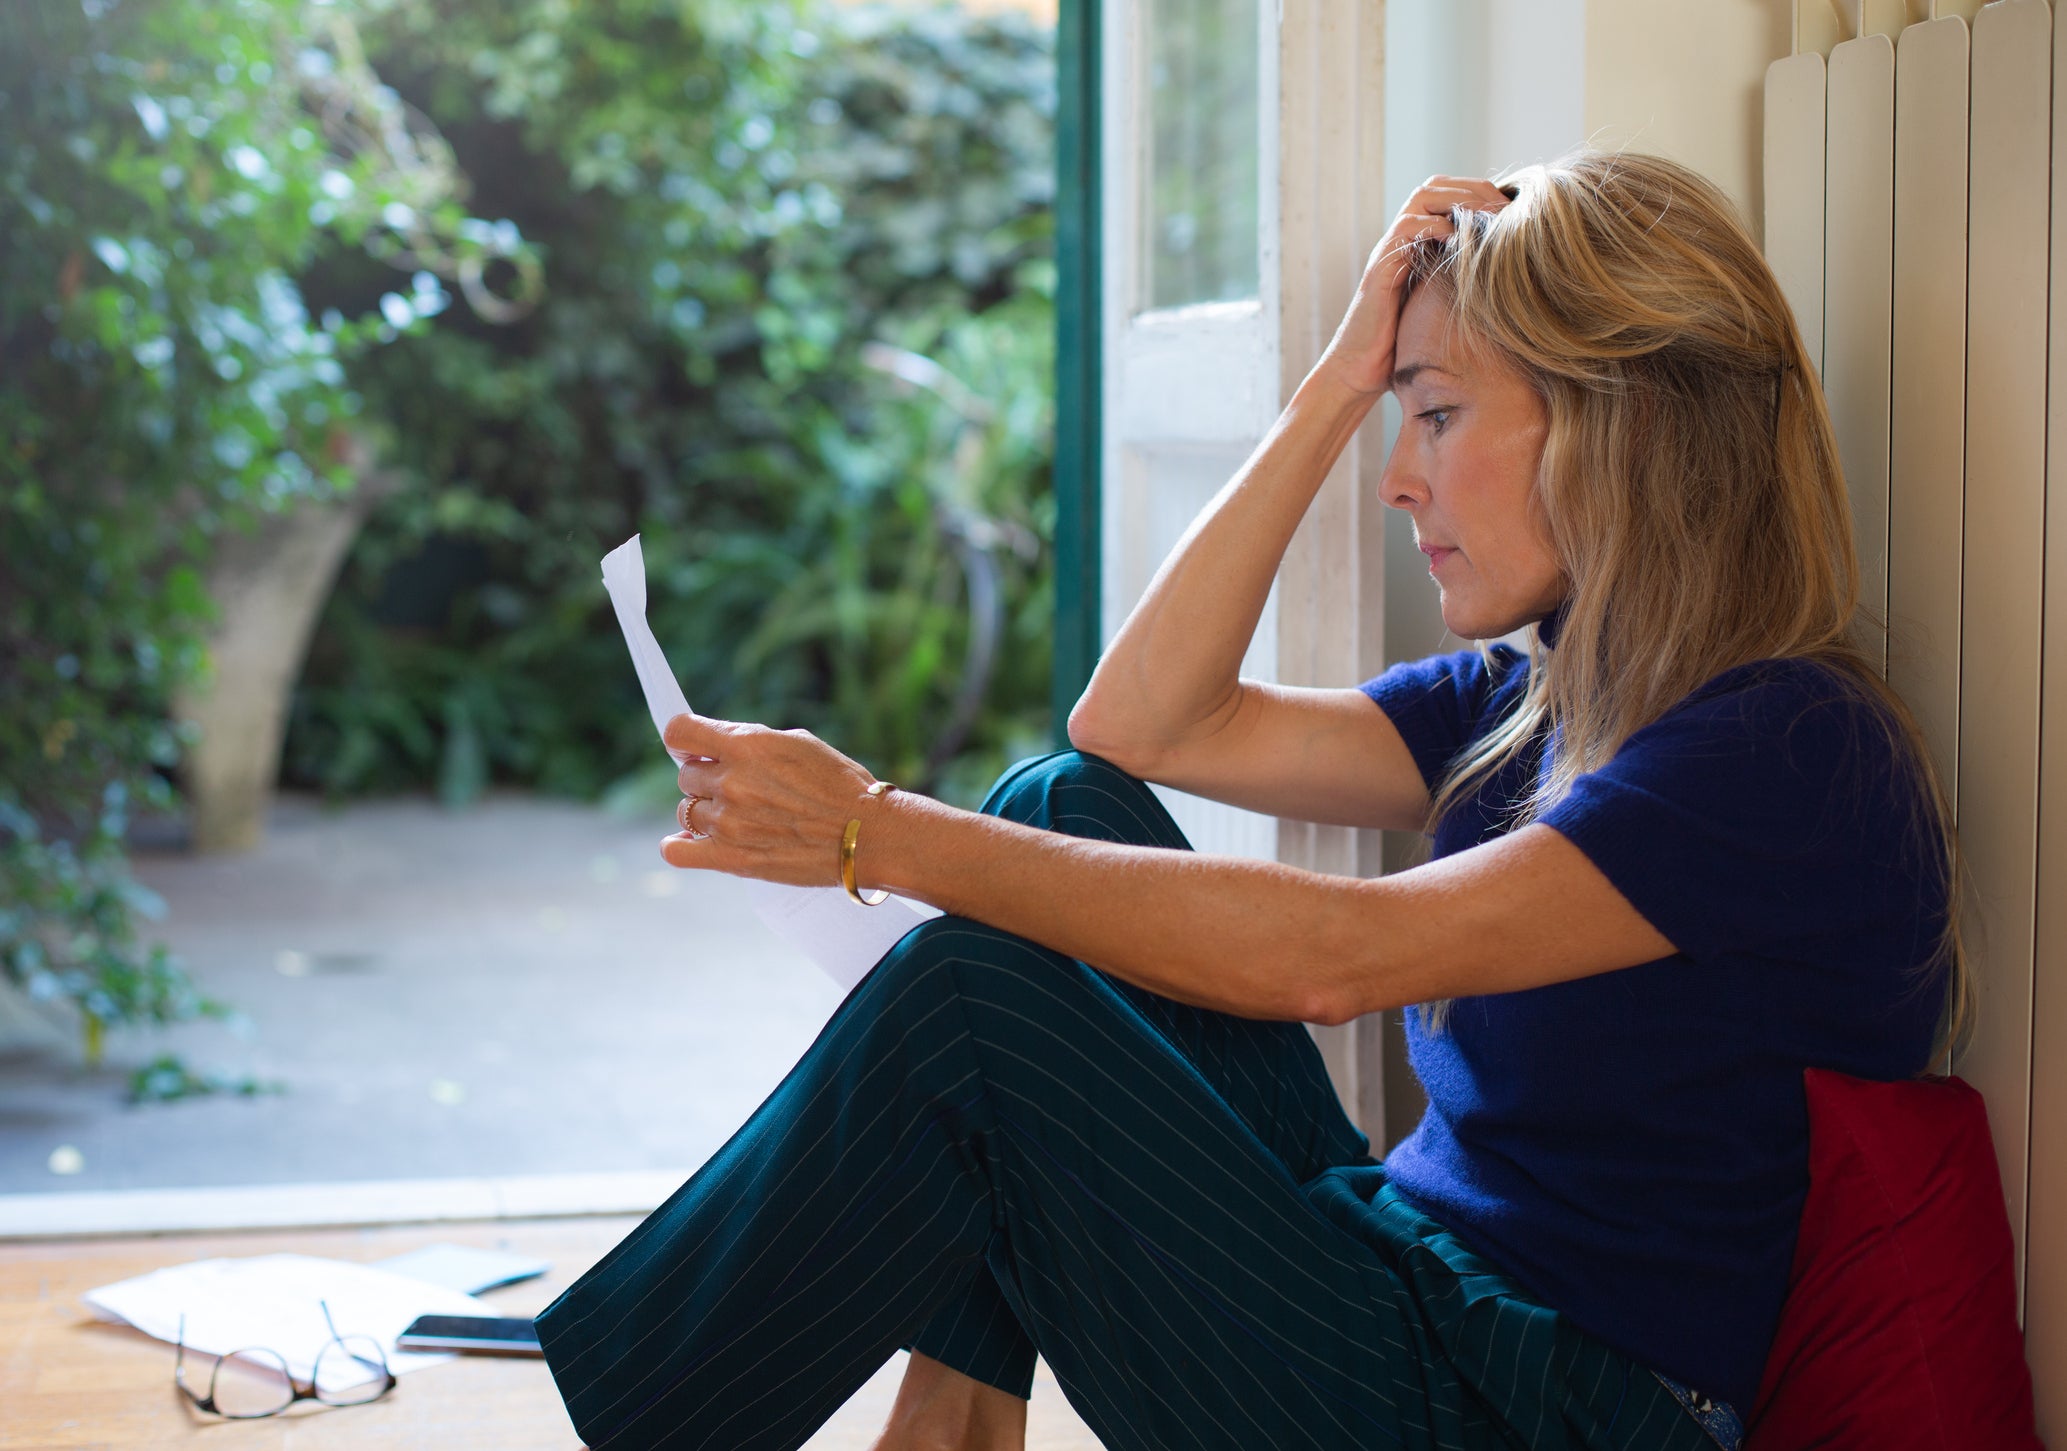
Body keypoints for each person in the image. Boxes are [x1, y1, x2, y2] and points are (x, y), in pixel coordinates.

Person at [534, 151, 1965, 1451]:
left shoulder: (1788, 750)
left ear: (1627, 423)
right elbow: (1144, 722)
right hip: (1421, 1285)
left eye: (1440, 413)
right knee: (1063, 798)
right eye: (1398, 417)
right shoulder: (1538, 696)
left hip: (1546, 1411)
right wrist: (1335, 384)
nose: (1400, 479)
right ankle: (951, 1429)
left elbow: (1333, 961)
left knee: (976, 995)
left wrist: (875, 828)